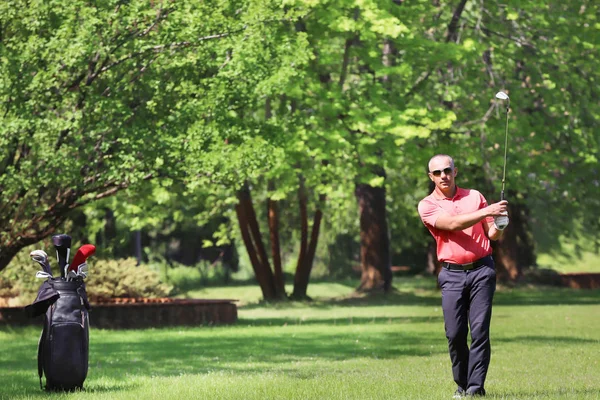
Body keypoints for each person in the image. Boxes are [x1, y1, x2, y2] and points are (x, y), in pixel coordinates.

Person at [417, 154, 509, 398]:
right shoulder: (427, 205)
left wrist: (499, 224)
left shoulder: (475, 196)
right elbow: (453, 224)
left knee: (479, 330)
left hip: (482, 270)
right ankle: (462, 383)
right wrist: (487, 210)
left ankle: (475, 389)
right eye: (437, 173)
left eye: (447, 170)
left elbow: (491, 233)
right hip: (452, 275)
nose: (443, 176)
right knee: (455, 334)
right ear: (431, 177)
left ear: (455, 171)